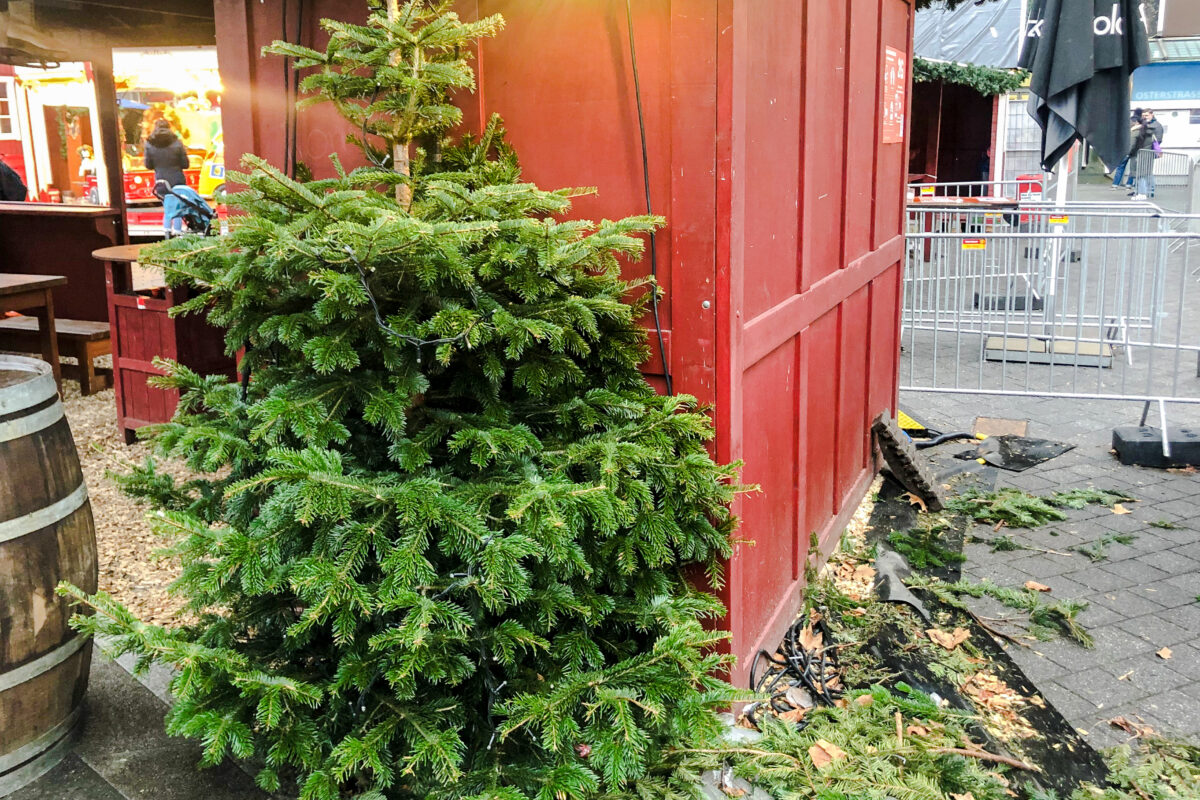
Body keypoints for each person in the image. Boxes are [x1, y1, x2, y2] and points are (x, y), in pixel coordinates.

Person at [143, 119, 190, 189]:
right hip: (178, 181)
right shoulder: (177, 142)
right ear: (169, 128)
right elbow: (185, 164)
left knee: (164, 199)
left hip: (161, 182)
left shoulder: (149, 144)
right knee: (177, 199)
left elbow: (148, 165)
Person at [1128, 108, 1163, 200]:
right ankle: (1148, 191)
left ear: (1152, 114)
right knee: (1146, 173)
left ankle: (1144, 192)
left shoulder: (1155, 126)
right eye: (1143, 116)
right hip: (1146, 152)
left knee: (1142, 174)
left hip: (1145, 152)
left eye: (1146, 115)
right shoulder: (1147, 126)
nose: (1144, 117)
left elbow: (1158, 140)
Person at [1110, 108, 1142, 190]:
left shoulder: (1130, 125)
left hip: (1126, 149)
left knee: (1120, 167)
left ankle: (1115, 184)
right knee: (1132, 169)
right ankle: (1129, 184)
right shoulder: (1140, 127)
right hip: (1135, 151)